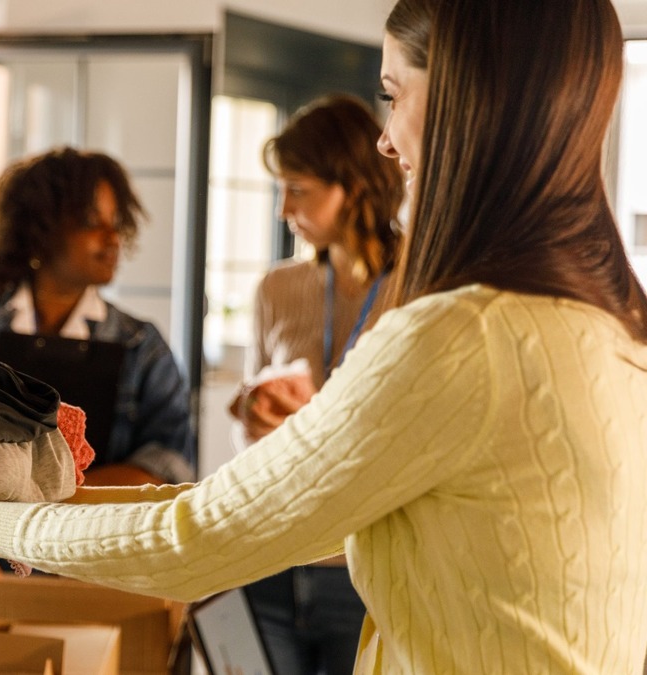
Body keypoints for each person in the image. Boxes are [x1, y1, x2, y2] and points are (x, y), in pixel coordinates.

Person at [0, 0, 647, 672]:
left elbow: (203, 534)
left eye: (393, 95)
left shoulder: (460, 335)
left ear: (472, 101)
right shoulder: (607, 325)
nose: (386, 139)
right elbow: (240, 508)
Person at [225, 95, 404, 675]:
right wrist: (253, 412)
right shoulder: (276, 288)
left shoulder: (425, 282)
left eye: (298, 189)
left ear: (351, 186)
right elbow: (254, 442)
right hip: (272, 558)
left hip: (368, 568)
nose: (283, 209)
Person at [0, 147, 196, 487]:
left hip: (102, 536)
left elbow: (172, 463)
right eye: (91, 222)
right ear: (39, 230)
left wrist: (53, 504)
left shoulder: (141, 346)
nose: (112, 238)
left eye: (115, 223)